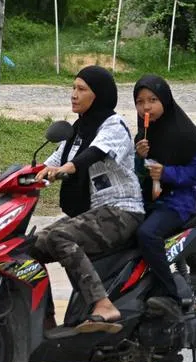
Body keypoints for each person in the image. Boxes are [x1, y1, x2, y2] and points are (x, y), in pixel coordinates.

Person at [33, 65, 145, 333]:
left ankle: (103, 304)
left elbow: (92, 155)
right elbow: (49, 165)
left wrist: (65, 170)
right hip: (91, 213)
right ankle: (44, 319)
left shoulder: (113, 127)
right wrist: (13, 179)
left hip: (121, 212)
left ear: (100, 95)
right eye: (73, 88)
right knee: (29, 249)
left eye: (81, 89)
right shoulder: (77, 131)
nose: (74, 94)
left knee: (60, 237)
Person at [132, 74, 196, 314]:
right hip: (149, 200)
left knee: (147, 234)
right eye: (140, 102)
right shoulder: (144, 135)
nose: (146, 106)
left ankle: (170, 293)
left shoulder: (183, 133)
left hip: (177, 202)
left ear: (166, 101)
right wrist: (138, 157)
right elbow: (139, 173)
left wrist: (167, 173)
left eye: (152, 100)